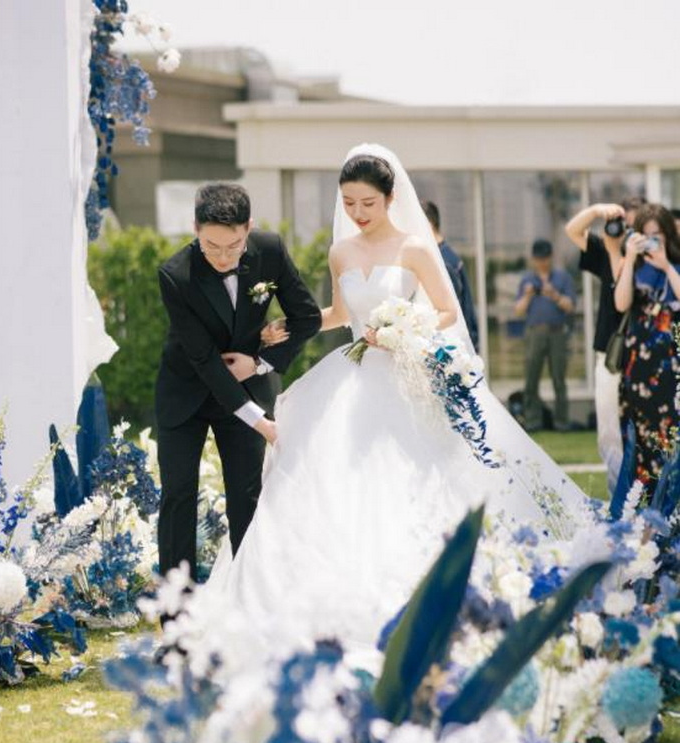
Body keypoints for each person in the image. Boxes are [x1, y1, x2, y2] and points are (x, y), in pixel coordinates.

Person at [169, 146, 589, 658]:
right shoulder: (341, 252)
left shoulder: (414, 248)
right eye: (348, 203)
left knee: (413, 476)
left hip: (403, 370)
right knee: (334, 479)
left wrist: (405, 327)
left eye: (367, 203)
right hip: (355, 371)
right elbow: (340, 314)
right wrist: (282, 330)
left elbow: (445, 311)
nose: (358, 213)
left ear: (390, 198)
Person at [156, 182, 322, 578]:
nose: (222, 257)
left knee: (247, 497)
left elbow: (308, 318)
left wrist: (260, 362)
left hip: (248, 382)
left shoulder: (269, 250)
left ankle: (249, 595)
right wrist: (260, 422)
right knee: (178, 496)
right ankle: (177, 606)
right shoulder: (176, 275)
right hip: (187, 392)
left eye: (233, 246)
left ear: (248, 228)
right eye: (211, 246)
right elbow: (203, 359)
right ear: (195, 229)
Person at [565, 197, 645, 493]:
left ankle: (645, 496)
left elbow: (624, 298)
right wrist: (597, 211)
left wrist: (627, 253)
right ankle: (618, 497)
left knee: (643, 432)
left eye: (635, 227)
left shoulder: (647, 257)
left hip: (641, 355)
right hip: (610, 355)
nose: (627, 232)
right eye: (624, 225)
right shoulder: (604, 248)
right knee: (609, 433)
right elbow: (572, 231)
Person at [614, 203, 680, 495]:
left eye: (657, 236)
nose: (652, 241)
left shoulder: (674, 264)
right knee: (640, 437)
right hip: (637, 365)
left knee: (670, 433)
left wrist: (665, 265)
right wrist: (630, 257)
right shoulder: (633, 266)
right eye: (646, 235)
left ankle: (671, 503)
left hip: (670, 364)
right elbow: (621, 304)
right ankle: (644, 502)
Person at [514, 239, 576, 432]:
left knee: (559, 378)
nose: (542, 262)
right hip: (535, 332)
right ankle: (533, 421)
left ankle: (561, 422)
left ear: (551, 257)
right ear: (533, 259)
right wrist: (528, 295)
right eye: (539, 259)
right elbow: (518, 310)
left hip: (557, 332)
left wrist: (554, 295)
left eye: (545, 258)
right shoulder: (527, 279)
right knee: (531, 377)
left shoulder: (563, 278)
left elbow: (570, 306)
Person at [421, 199, 480, 351]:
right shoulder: (445, 256)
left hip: (446, 346)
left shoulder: (442, 262)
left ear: (428, 224)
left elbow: (454, 311)